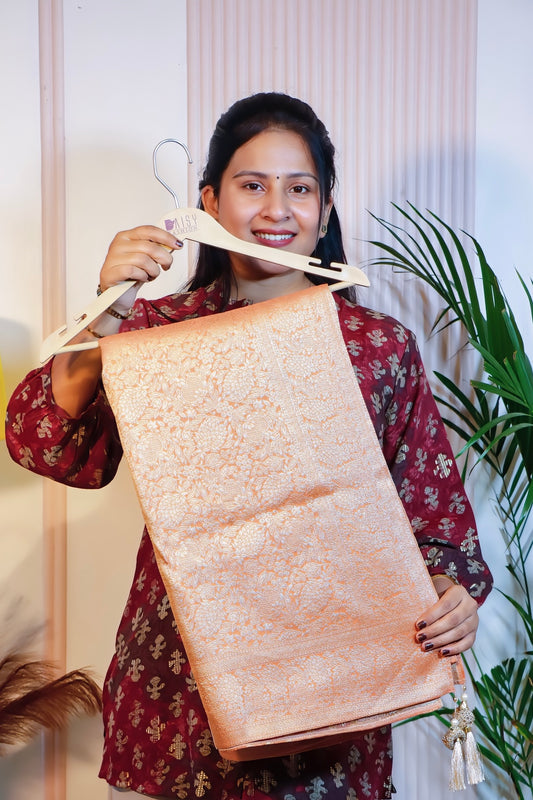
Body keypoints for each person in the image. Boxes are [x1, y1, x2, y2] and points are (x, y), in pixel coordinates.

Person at [6, 93, 492, 800]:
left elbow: (438, 528)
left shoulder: (376, 348)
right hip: (177, 693)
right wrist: (108, 302)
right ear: (208, 200)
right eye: (251, 185)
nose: (276, 209)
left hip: (332, 700)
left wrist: (450, 596)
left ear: (325, 211)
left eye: (299, 189)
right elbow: (47, 443)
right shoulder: (153, 331)